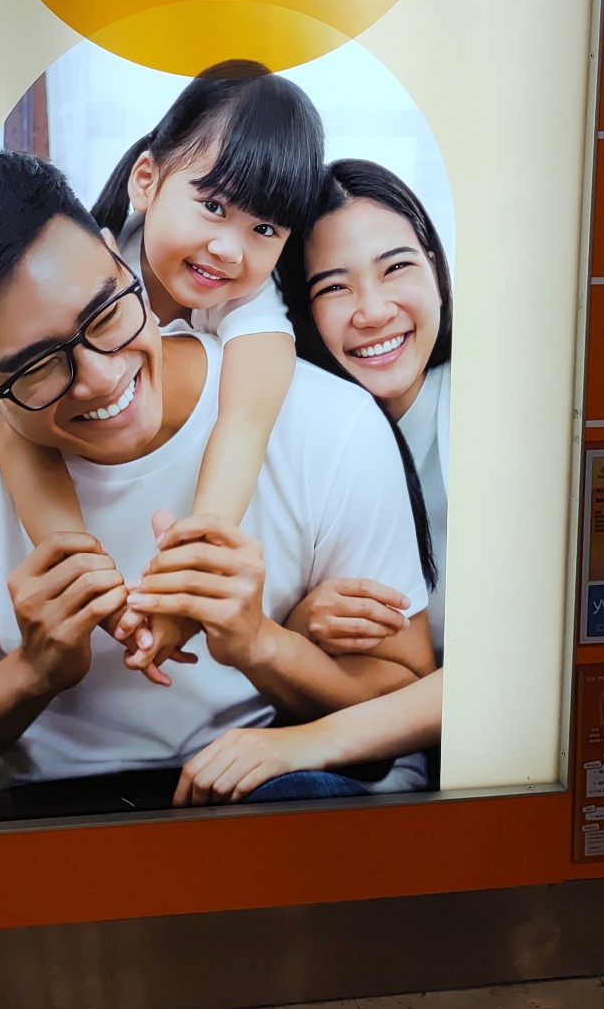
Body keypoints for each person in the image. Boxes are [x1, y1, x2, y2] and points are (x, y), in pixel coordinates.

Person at [0, 148, 434, 817]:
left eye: (105, 315)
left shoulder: (328, 422)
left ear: (118, 257)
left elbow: (409, 701)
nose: (103, 378)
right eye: (37, 367)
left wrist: (259, 644)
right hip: (41, 814)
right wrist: (33, 672)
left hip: (270, 798)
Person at [0, 63, 323, 685]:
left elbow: (245, 423)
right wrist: (106, 604)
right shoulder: (91, 262)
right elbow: (15, 435)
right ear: (146, 181)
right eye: (213, 205)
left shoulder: (251, 303)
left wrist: (186, 583)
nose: (230, 249)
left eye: (264, 228)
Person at [175, 158, 453, 805]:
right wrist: (301, 620)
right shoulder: (300, 432)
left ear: (438, 272)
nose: (373, 311)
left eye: (396, 268)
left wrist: (301, 745)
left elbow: (518, 664)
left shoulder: (482, 415)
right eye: (334, 288)